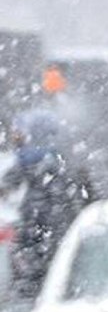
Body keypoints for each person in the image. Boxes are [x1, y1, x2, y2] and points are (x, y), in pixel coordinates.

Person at [1, 109, 94, 299]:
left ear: (32, 133)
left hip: (39, 228)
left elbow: (8, 183)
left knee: (33, 277)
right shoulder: (61, 159)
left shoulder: (29, 160)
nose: (16, 137)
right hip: (59, 227)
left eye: (21, 132)